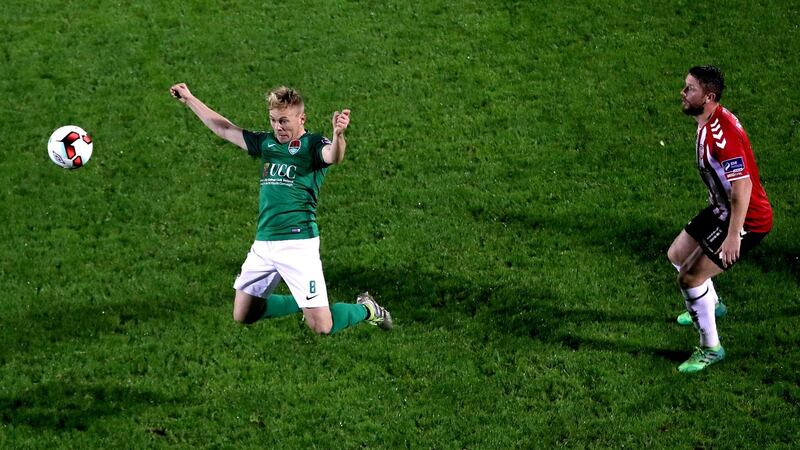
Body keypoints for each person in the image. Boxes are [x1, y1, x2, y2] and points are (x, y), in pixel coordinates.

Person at [170, 83, 392, 335]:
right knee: (244, 313)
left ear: (301, 118)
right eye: (273, 120)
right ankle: (305, 303)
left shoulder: (312, 144)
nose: (278, 127)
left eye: (284, 121)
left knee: (322, 326)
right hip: (264, 244)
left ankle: (367, 309)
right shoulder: (267, 144)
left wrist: (338, 135)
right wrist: (189, 99)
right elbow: (224, 128)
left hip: (298, 244)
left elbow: (333, 156)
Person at [667, 66, 772, 373]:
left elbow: (744, 186)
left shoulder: (721, 136)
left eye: (690, 89)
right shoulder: (711, 119)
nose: (683, 93)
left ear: (709, 97)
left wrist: (733, 234)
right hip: (721, 208)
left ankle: (710, 347)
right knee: (677, 255)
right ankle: (711, 304)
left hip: (746, 219)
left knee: (689, 277)